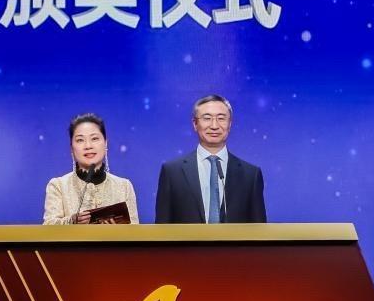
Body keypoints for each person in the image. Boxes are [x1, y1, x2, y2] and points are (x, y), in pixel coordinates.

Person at [155, 94, 266, 224]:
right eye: (207, 118)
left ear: (230, 124)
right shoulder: (172, 172)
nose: (214, 126)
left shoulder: (251, 175)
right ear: (195, 124)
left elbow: (259, 229)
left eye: (221, 118)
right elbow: (162, 226)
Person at [43, 113, 140, 225]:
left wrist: (117, 232)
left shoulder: (124, 186)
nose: (88, 146)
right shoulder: (58, 186)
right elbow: (48, 228)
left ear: (105, 143)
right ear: (71, 148)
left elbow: (135, 231)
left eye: (94, 138)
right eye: (80, 140)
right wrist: (72, 221)